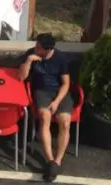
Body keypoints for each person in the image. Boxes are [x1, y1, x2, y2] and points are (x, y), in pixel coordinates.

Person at [19, 33, 72, 183]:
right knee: (44, 117)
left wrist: (56, 101)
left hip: (59, 93)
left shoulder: (60, 59)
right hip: (41, 91)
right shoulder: (31, 54)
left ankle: (57, 161)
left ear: (48, 50)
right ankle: (50, 161)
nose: (35, 48)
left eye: (39, 47)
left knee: (65, 122)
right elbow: (21, 77)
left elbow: (66, 83)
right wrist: (29, 61)